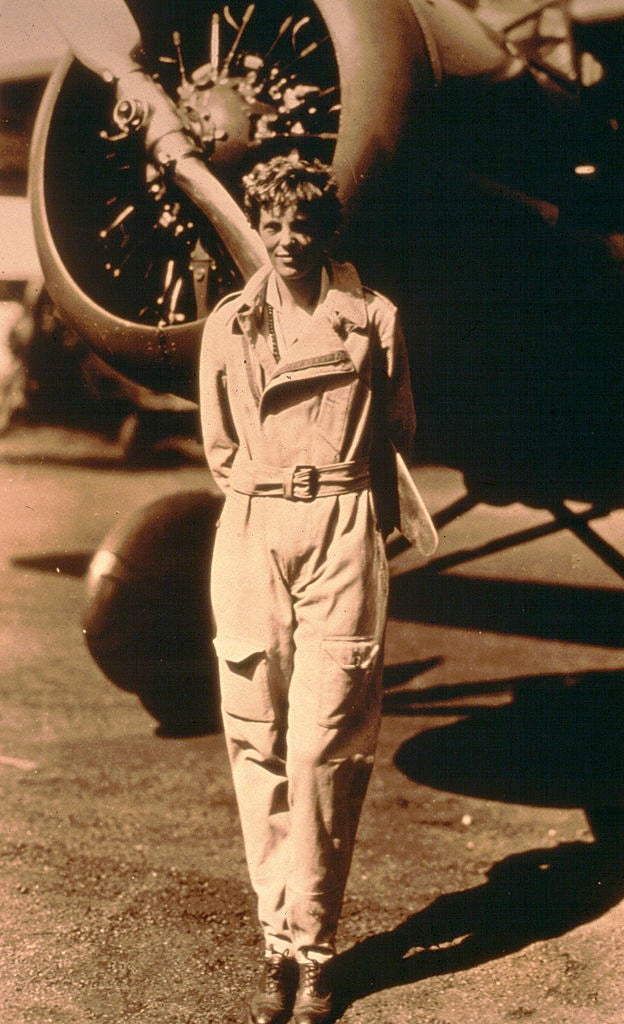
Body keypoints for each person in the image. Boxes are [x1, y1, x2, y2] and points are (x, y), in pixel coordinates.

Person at [199, 154, 425, 1024]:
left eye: (303, 224)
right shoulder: (230, 325)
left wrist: (332, 498)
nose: (287, 240)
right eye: (273, 225)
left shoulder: (374, 321)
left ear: (328, 230)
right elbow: (221, 447)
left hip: (340, 526)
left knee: (327, 747)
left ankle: (319, 951)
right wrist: (267, 492)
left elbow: (395, 433)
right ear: (259, 228)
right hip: (254, 529)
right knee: (256, 740)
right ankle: (276, 951)